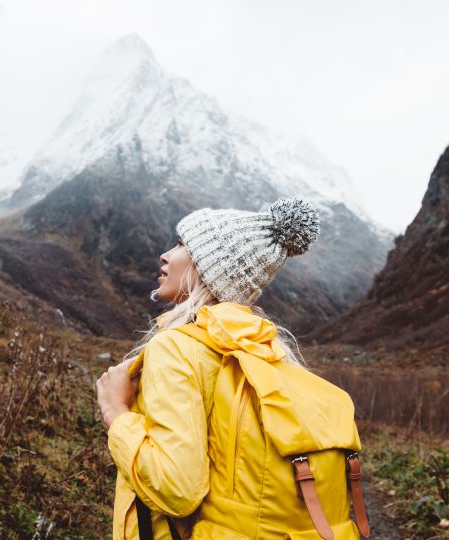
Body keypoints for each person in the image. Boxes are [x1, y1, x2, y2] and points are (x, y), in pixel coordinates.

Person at [97, 197, 361, 539]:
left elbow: (177, 490)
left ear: (210, 268)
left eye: (181, 244)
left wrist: (115, 412)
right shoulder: (259, 349)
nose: (165, 255)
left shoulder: (175, 347)